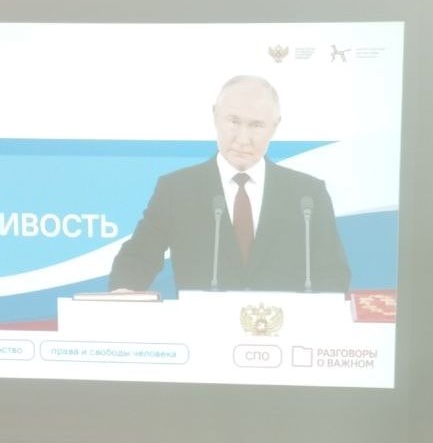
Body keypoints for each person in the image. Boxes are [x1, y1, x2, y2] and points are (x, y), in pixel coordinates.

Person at [109, 75, 351, 293]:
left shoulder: (307, 196)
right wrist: (124, 292)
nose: (242, 138)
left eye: (256, 125)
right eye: (234, 121)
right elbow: (136, 260)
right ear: (215, 115)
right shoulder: (176, 190)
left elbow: (333, 276)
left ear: (275, 126)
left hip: (285, 328)